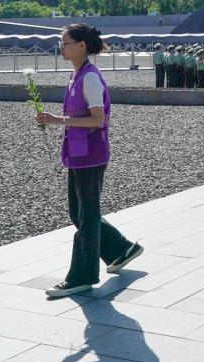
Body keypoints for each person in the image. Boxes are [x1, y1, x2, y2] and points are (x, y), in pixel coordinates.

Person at [34, 24, 142, 298]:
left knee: (88, 214)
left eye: (65, 42)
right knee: (78, 212)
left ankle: (81, 276)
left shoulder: (90, 77)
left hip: (90, 154)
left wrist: (58, 120)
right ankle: (122, 248)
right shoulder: (77, 75)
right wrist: (56, 121)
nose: (61, 47)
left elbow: (97, 119)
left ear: (82, 45)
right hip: (79, 153)